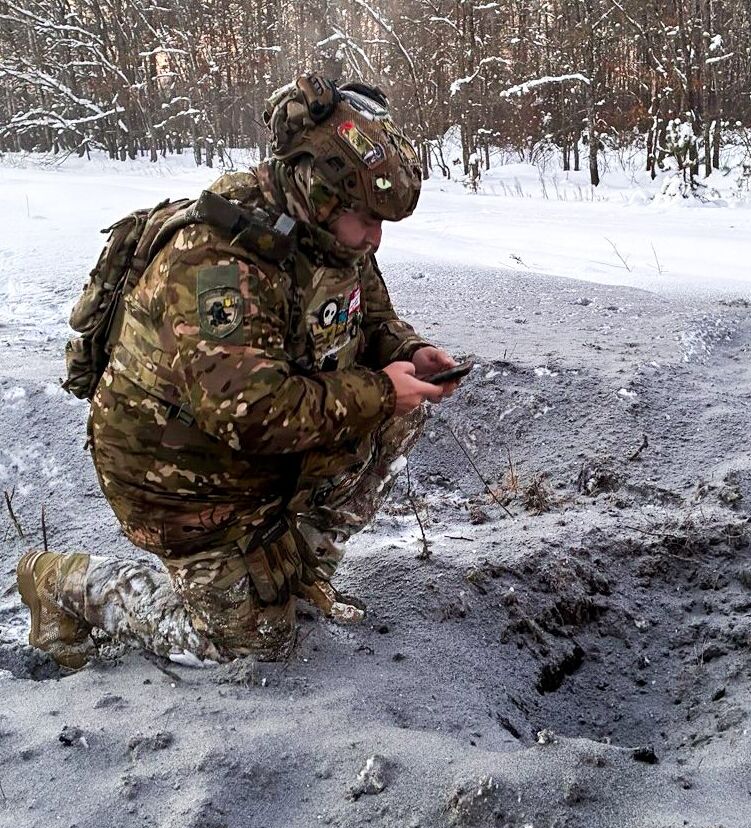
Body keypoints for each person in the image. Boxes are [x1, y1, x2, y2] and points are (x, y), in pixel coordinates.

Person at [16, 75, 460, 669]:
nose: (374, 239)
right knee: (250, 647)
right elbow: (247, 413)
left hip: (256, 459)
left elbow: (367, 314)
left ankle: (293, 574)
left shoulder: (331, 236)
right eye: (365, 219)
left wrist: (408, 350)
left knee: (398, 412)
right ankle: (60, 582)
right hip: (179, 480)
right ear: (316, 189)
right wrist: (380, 390)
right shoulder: (219, 257)